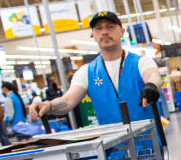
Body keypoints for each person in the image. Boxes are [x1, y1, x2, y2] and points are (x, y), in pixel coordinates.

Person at [28, 11, 162, 126]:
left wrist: (151, 85)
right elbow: (68, 100)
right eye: (98, 28)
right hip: (113, 148)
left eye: (110, 27)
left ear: (121, 32)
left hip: (149, 144)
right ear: (93, 35)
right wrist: (49, 106)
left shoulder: (140, 62)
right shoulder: (87, 72)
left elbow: (153, 75)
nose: (104, 32)